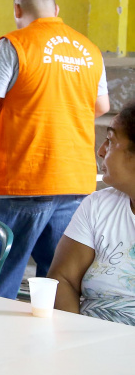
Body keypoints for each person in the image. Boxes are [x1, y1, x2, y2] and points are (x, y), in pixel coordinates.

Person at [0, 0, 109, 300]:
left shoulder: (15, 44)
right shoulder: (88, 48)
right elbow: (101, 106)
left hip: (20, 178)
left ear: (17, 9)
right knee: (61, 281)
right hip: (74, 181)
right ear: (56, 11)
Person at [49, 103, 135, 325]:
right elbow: (63, 279)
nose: (101, 151)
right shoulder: (98, 205)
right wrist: (75, 338)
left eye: (111, 140)